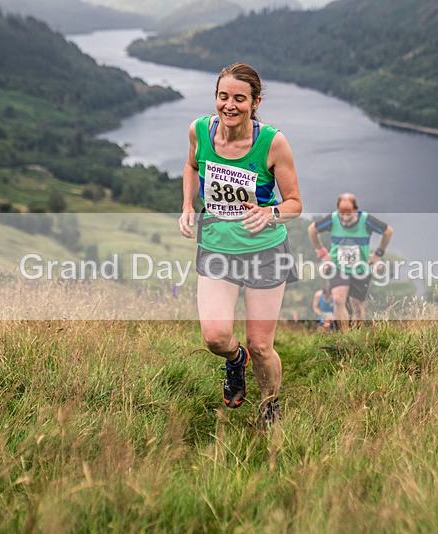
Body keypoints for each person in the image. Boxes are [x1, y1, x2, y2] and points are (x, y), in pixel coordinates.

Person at [178, 63, 302, 430]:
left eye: (239, 99)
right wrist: (187, 206)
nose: (229, 106)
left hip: (265, 251)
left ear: (255, 101)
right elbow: (190, 167)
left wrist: (270, 212)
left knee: (262, 345)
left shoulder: (272, 142)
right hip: (217, 247)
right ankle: (235, 360)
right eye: (222, 97)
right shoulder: (199, 130)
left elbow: (295, 203)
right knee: (216, 336)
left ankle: (270, 406)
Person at [307, 193, 392, 330]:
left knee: (356, 304)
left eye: (348, 215)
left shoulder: (366, 220)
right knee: (338, 300)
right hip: (338, 267)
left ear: (356, 209)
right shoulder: (333, 218)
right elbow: (312, 230)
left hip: (361, 268)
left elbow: (388, 231)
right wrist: (322, 253)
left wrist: (378, 254)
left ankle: (357, 338)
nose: (345, 219)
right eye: (342, 215)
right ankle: (345, 338)